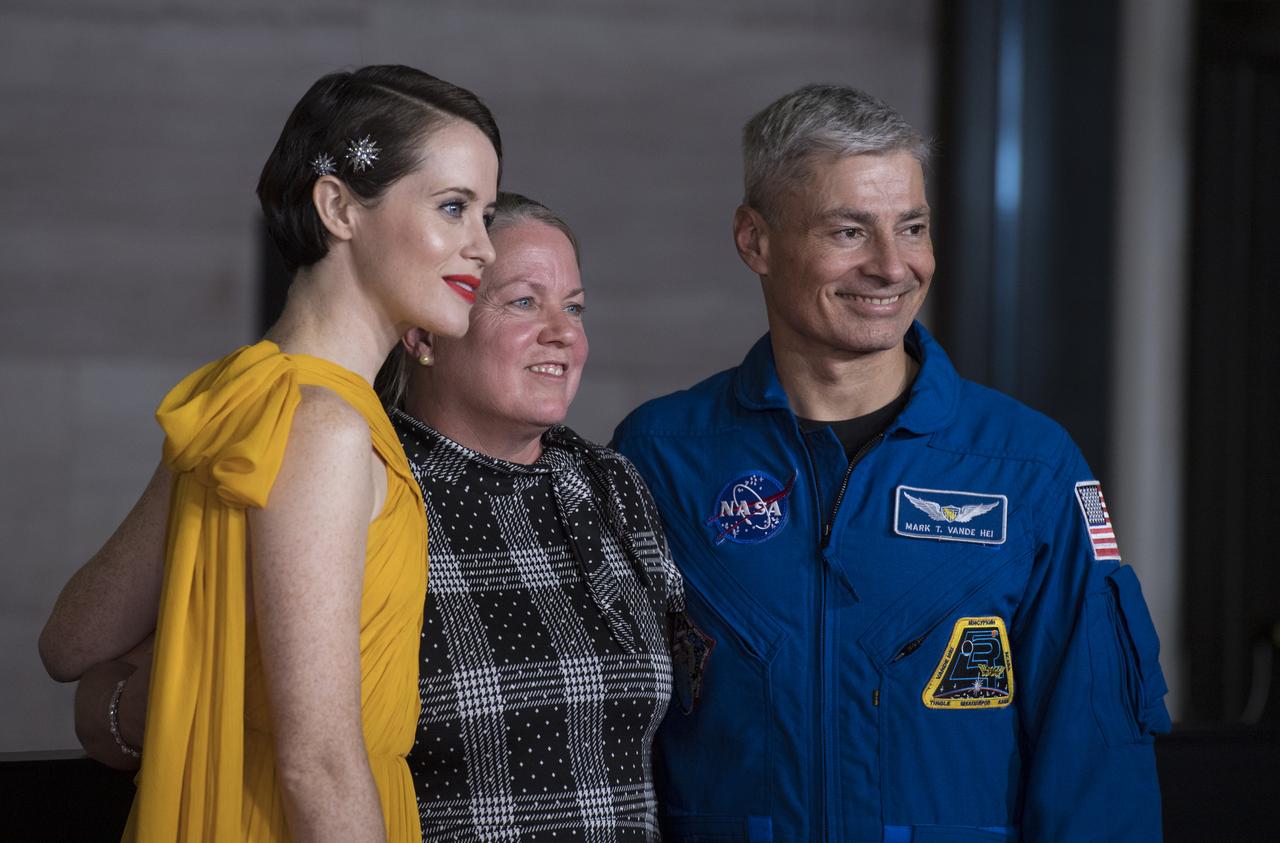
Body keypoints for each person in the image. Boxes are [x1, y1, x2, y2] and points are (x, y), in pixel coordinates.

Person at [612, 84, 1171, 842]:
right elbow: (603, 735)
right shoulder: (660, 456)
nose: (892, 265)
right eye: (849, 231)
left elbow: (1098, 768)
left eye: (912, 227)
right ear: (756, 241)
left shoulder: (1027, 467)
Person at [38, 65, 501, 841]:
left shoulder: (243, 395)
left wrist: (173, 686)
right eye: (454, 208)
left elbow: (70, 640)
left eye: (484, 213)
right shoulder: (325, 427)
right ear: (338, 207)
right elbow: (317, 762)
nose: (483, 248)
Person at [381, 192, 683, 840]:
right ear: (424, 328)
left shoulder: (613, 484)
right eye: (524, 302)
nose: (564, 332)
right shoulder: (365, 487)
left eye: (574, 308)